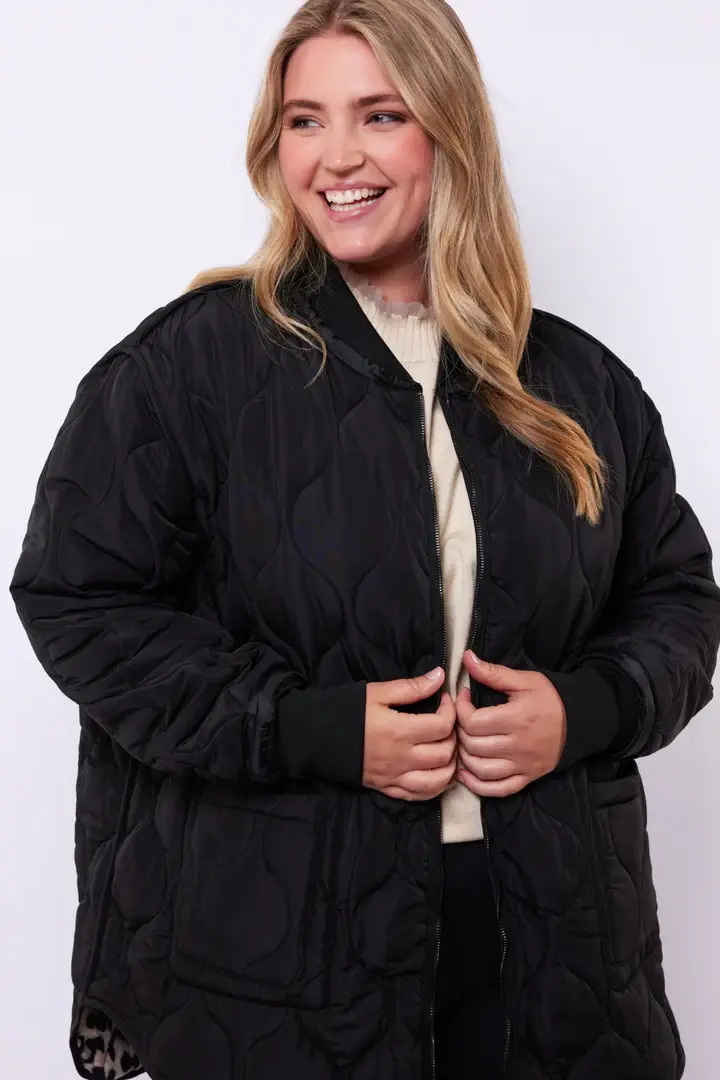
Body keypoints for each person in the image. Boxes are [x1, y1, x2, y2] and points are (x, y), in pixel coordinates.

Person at [9, 1, 720, 1078]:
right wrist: (304, 728)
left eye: (380, 115)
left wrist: (590, 708)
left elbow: (678, 599)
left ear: (449, 130)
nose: (336, 157)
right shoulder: (192, 367)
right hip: (278, 953)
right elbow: (78, 599)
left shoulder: (578, 383)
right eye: (305, 120)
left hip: (557, 948)